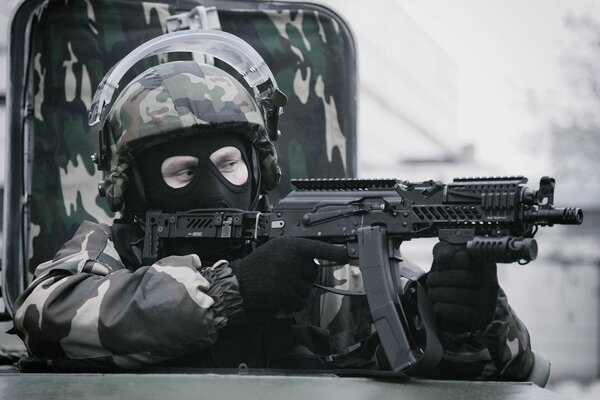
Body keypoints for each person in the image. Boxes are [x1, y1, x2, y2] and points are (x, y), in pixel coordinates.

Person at [12, 59, 533, 379]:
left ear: (257, 171)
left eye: (229, 164)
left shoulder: (321, 265)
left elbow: (511, 370)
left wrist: (468, 320)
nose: (214, 186)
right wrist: (227, 292)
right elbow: (42, 315)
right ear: (137, 187)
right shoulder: (112, 249)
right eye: (182, 172)